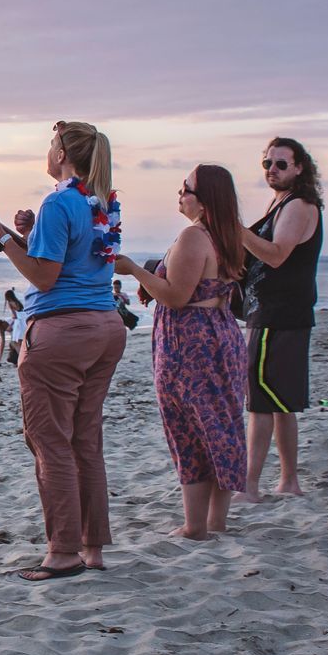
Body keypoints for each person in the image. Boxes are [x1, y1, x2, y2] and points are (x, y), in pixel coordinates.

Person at [0, 120, 125, 581]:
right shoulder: (97, 202)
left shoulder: (60, 201)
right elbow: (64, 263)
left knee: (49, 442)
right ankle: (91, 547)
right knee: (84, 439)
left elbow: (44, 278)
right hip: (104, 326)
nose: (47, 149)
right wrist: (23, 238)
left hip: (61, 333)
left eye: (50, 143)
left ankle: (62, 552)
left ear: (61, 154)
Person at [116, 166, 248, 541]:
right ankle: (216, 522)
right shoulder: (223, 236)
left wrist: (132, 270)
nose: (180, 193)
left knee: (189, 429)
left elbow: (176, 296)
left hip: (191, 341)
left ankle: (195, 526)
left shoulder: (194, 235)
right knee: (220, 426)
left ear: (204, 201)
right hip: (220, 334)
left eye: (186, 188)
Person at [238, 136, 323, 501]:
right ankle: (289, 481)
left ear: (300, 168)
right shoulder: (282, 204)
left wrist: (235, 230)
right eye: (267, 164)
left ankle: (250, 485)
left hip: (279, 315)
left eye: (281, 164)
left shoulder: (299, 205)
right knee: (281, 402)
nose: (272, 170)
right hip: (278, 313)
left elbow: (276, 256)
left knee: (261, 403)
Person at [0, 288, 24, 363]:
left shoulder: (10, 303)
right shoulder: (18, 302)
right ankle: (20, 358)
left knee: (14, 343)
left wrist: (11, 324)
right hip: (24, 319)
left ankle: (22, 359)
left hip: (18, 321)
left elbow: (15, 316)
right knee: (19, 342)